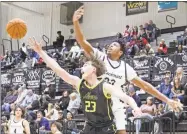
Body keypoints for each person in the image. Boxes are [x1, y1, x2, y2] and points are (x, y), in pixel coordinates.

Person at [72, 6, 183, 134]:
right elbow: (82, 41)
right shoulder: (100, 57)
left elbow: (146, 87)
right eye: (110, 44)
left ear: (120, 52)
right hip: (98, 103)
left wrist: (167, 100)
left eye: (114, 45)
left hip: (115, 104)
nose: (110, 46)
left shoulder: (125, 68)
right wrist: (75, 22)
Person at [28, 37, 142, 134]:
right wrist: (40, 52)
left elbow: (126, 98)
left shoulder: (105, 86)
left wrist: (136, 108)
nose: (82, 68)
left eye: (85, 65)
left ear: (93, 69)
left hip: (105, 129)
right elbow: (58, 69)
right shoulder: (80, 83)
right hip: (89, 128)